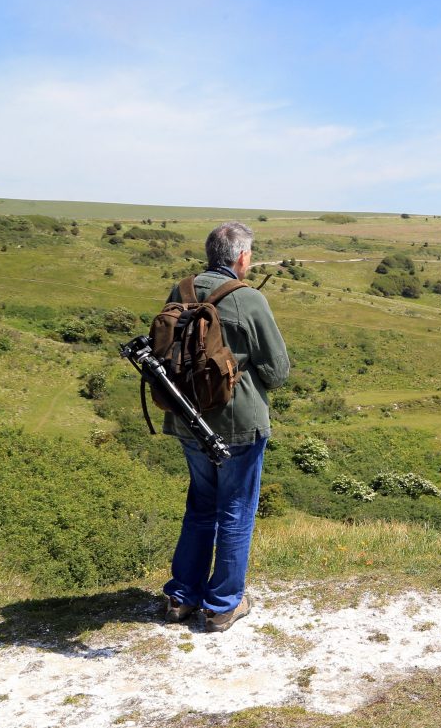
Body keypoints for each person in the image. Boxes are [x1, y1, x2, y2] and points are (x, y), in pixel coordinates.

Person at [161, 221, 289, 632]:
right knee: (236, 510)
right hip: (238, 423)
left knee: (200, 505)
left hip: (187, 418)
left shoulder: (180, 291)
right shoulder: (248, 299)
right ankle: (222, 606)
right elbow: (277, 370)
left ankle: (181, 597)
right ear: (242, 257)